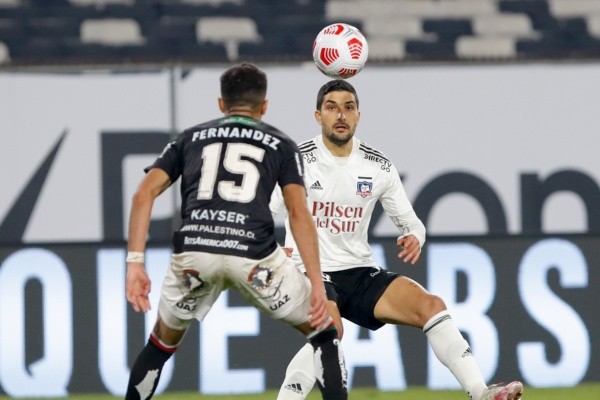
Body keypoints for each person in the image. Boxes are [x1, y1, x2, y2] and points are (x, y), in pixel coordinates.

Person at [270, 79, 523, 400]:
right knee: (330, 332)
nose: (341, 115)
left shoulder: (378, 166)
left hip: (358, 270)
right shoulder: (297, 160)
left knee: (431, 306)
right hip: (310, 269)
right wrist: (272, 247)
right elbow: (266, 209)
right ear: (317, 116)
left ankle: (481, 392)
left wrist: (414, 236)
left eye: (348, 108)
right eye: (332, 108)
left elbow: (413, 223)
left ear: (359, 115)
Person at [124, 63, 348, 400]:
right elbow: (299, 213)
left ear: (221, 104)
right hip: (254, 256)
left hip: (196, 253)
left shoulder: (189, 138)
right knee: (324, 335)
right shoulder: (281, 144)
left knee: (159, 345)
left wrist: (135, 263)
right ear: (264, 106)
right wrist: (316, 284)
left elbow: (143, 194)